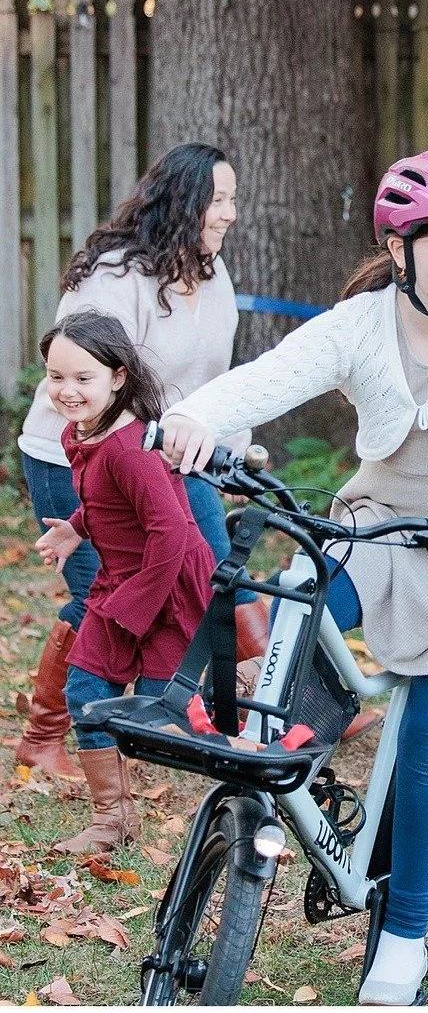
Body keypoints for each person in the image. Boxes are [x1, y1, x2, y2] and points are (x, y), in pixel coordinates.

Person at [158, 150, 428, 1007]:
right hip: (380, 518)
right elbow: (269, 378)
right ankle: (290, 763)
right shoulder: (362, 321)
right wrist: (193, 416)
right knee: (281, 615)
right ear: (400, 247)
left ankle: (405, 938)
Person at [15, 143, 266, 779]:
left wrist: (232, 454)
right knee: (111, 596)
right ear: (183, 205)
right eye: (220, 201)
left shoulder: (212, 276)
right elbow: (81, 373)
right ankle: (45, 736)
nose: (231, 214)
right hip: (81, 455)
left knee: (210, 577)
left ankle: (266, 708)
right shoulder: (115, 278)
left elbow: (213, 379)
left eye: (233, 199)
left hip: (169, 457)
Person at [34, 310, 215, 853]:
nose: (67, 390)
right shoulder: (82, 433)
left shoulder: (129, 448)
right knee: (87, 691)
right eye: (55, 376)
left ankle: (246, 695)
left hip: (169, 582)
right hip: (124, 583)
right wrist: (75, 527)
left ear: (118, 377)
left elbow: (171, 533)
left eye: (83, 378)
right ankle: (111, 820)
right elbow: (107, 502)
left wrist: (136, 609)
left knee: (163, 713)